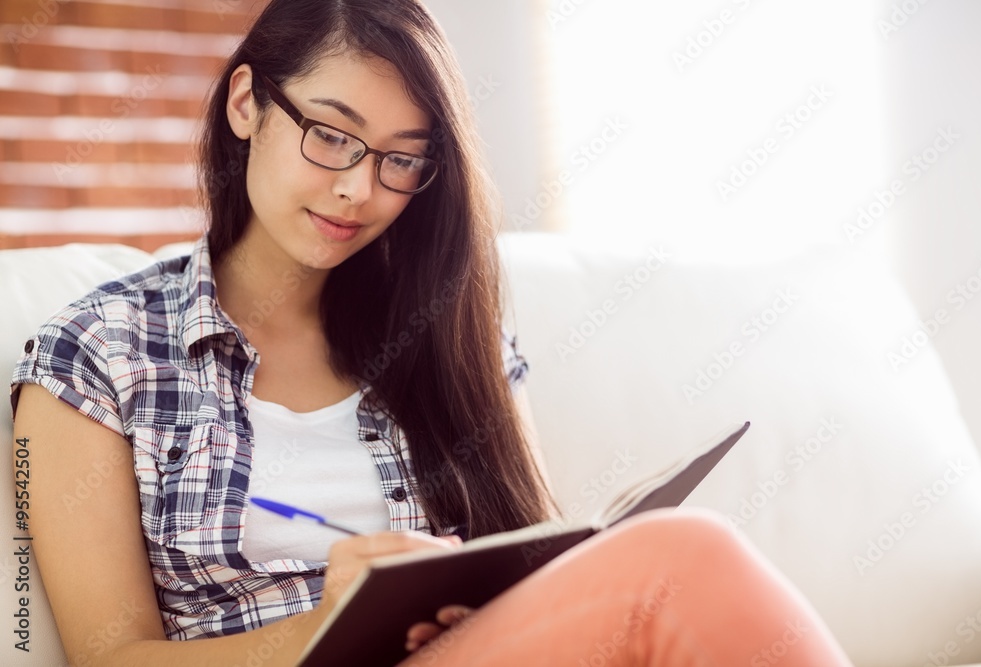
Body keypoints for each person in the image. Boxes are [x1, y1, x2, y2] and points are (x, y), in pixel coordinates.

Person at [10, 0, 853, 664]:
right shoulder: (99, 351)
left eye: (399, 159)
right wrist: (334, 624)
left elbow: (529, 563)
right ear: (246, 105)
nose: (358, 190)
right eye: (332, 137)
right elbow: (110, 658)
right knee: (682, 558)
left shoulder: (444, 339)